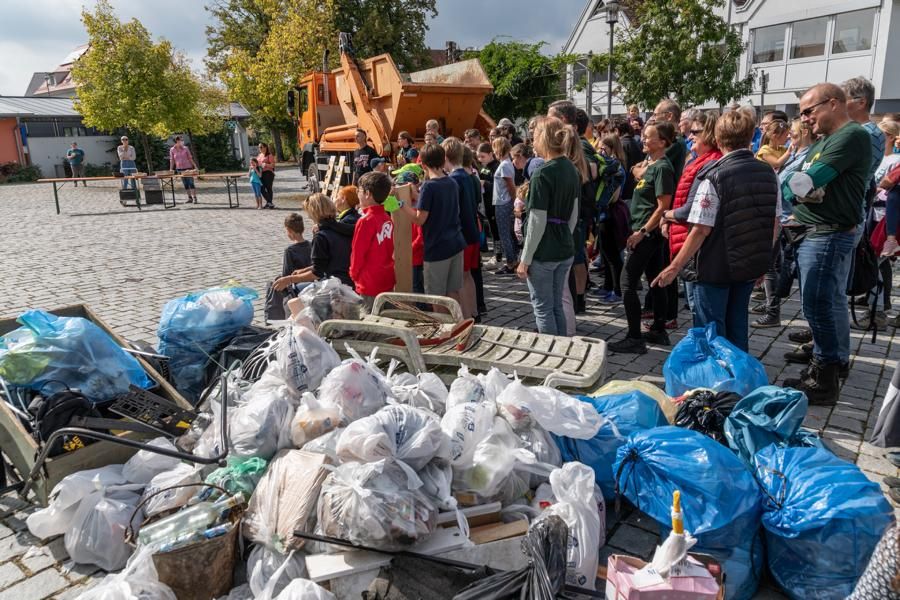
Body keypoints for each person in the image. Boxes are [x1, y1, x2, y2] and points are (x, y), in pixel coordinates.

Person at [654, 110, 778, 352]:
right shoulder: (768, 172)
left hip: (715, 266)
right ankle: (739, 379)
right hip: (748, 264)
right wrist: (763, 260)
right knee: (737, 326)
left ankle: (717, 381)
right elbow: (774, 222)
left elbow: (700, 229)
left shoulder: (713, 176)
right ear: (752, 135)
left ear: (718, 140)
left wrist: (674, 266)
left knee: (711, 330)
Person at [780, 83, 873, 405]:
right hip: (820, 231)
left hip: (827, 234)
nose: (804, 119)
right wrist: (798, 189)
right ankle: (833, 360)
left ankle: (824, 379)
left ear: (833, 104)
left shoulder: (851, 136)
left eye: (808, 111)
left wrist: (799, 189)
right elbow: (796, 184)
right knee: (828, 303)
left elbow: (803, 181)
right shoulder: (827, 141)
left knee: (817, 304)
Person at [608, 122, 676, 354]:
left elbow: (663, 207)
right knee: (655, 280)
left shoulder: (662, 168)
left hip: (647, 233)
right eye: (644, 137)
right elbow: (635, 171)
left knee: (627, 283)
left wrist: (642, 232)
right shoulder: (652, 165)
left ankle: (634, 337)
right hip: (646, 231)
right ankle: (658, 329)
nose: (643, 140)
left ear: (663, 142)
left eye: (648, 138)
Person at [516, 116, 580, 336]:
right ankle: (562, 349)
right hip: (564, 246)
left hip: (544, 251)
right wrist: (563, 236)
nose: (531, 142)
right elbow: (574, 214)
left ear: (543, 138)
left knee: (543, 308)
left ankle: (551, 356)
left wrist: (525, 259)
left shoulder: (543, 173)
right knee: (556, 306)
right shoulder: (571, 168)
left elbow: (537, 220)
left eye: (533, 137)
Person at [754, 118, 816, 329]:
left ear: (806, 133)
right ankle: (773, 306)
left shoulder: (807, 156)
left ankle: (773, 312)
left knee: (774, 266)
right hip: (782, 216)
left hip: (791, 218)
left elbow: (794, 184)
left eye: (795, 134)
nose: (790, 137)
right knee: (775, 265)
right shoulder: (797, 153)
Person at [663, 111, 723, 312]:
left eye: (695, 132)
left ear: (709, 134)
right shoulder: (698, 161)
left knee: (702, 311)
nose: (690, 136)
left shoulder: (709, 164)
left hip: (699, 246)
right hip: (690, 239)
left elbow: (691, 210)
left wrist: (666, 215)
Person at [399, 143, 466, 300]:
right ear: (443, 160)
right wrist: (417, 195)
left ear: (422, 163)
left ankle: (443, 325)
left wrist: (401, 205)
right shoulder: (451, 182)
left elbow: (419, 219)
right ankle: (456, 323)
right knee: (452, 292)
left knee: (436, 298)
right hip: (455, 243)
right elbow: (437, 204)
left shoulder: (429, 187)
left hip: (437, 248)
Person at [273, 193, 353, 291]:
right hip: (349, 280)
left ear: (314, 213)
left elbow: (317, 273)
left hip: (336, 285)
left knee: (292, 296)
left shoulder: (321, 236)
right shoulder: (343, 228)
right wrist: (305, 270)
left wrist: (289, 279)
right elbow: (328, 262)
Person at [444, 137, 480, 318]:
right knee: (468, 276)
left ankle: (466, 318)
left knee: (459, 280)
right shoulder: (469, 176)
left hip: (461, 236)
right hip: (473, 232)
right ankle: (473, 311)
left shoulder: (453, 180)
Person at [350, 171, 395, 310]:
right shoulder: (387, 218)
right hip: (387, 277)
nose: (358, 194)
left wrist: (353, 274)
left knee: (369, 322)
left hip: (368, 282)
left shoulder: (365, 221)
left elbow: (358, 253)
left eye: (359, 190)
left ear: (368, 193)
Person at [595, 134, 629, 304]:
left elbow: (612, 195)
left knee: (613, 255)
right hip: (604, 213)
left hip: (610, 213)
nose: (600, 152)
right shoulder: (610, 166)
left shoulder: (616, 169)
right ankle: (608, 286)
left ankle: (617, 290)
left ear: (612, 148)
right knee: (605, 253)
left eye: (603, 148)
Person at [265, 213, 312, 321]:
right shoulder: (311, 245)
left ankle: (273, 319)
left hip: (296, 286)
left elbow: (286, 275)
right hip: (310, 281)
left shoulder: (290, 250)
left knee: (272, 285)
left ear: (289, 231)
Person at [492, 137, 519, 274]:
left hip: (503, 202)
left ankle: (510, 262)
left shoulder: (504, 165)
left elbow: (511, 187)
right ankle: (513, 259)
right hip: (504, 201)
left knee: (505, 234)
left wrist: (514, 202)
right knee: (508, 232)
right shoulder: (506, 164)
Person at [477, 142, 502, 263]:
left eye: (483, 156)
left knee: (496, 228)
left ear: (490, 154)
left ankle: (499, 254)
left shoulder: (496, 166)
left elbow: (498, 186)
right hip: (486, 202)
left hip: (495, 202)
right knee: (492, 228)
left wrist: (485, 184)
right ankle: (497, 252)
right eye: (479, 156)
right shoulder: (484, 167)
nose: (480, 159)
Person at [615, 120, 644, 200]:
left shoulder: (621, 144)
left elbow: (622, 168)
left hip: (625, 189)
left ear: (617, 131)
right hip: (634, 185)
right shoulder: (633, 141)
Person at [169, 136, 198, 204]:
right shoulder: (172, 149)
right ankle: (189, 198)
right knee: (185, 184)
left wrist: (195, 166)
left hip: (188, 168)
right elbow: (172, 160)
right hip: (179, 169)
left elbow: (190, 158)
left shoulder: (185, 148)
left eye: (182, 140)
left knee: (191, 183)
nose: (182, 141)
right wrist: (170, 169)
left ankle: (195, 198)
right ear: (176, 142)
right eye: (180, 140)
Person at [257, 142, 276, 209]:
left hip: (268, 173)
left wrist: (266, 165)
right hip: (261, 173)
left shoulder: (269, 155)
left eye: (261, 147)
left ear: (265, 147)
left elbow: (273, 165)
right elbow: (257, 163)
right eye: (259, 147)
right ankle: (269, 202)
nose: (260, 148)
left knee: (268, 188)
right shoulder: (259, 155)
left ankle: (269, 203)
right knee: (261, 188)